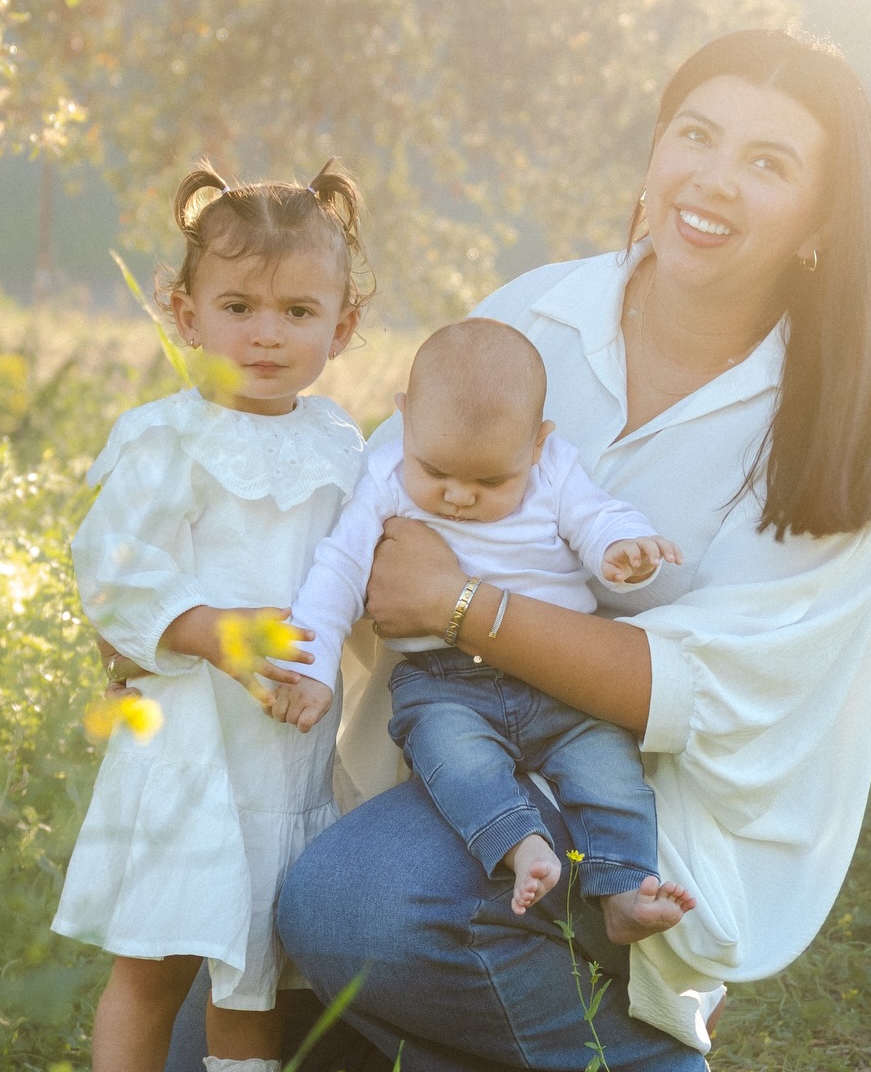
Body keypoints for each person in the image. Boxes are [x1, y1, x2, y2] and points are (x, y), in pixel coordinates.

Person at [260, 27, 871, 1072]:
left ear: (821, 221)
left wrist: (465, 604)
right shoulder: (542, 315)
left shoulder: (834, 427)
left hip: (633, 819)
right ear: (656, 151)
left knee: (352, 899)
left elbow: (691, 691)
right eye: (696, 135)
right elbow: (372, 510)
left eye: (769, 162)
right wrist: (187, 620)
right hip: (454, 759)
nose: (713, 178)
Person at [51, 161, 369, 1072]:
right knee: (156, 956)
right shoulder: (163, 435)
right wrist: (216, 635)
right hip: (191, 735)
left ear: (344, 324)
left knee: (255, 963)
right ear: (185, 313)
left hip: (280, 745)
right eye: (237, 307)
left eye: (296, 310)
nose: (266, 333)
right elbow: (119, 570)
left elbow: (354, 566)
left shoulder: (341, 444)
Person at [284, 316, 693, 938]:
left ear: (537, 444)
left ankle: (623, 891)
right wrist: (311, 665)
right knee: (455, 762)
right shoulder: (388, 474)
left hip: (558, 683)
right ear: (406, 419)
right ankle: (520, 845)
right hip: (443, 682)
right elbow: (337, 567)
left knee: (609, 771)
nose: (457, 497)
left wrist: (621, 549)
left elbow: (594, 517)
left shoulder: (555, 469)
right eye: (438, 472)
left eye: (489, 481)